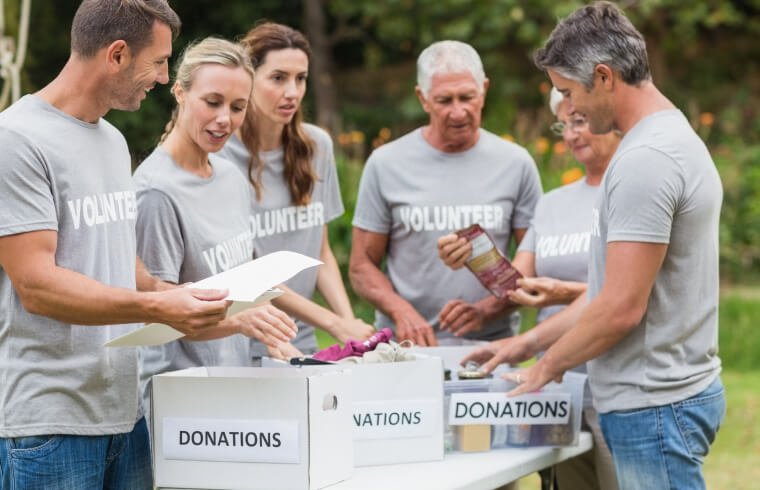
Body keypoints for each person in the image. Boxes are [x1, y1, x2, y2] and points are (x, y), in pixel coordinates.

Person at [0, 1, 231, 488]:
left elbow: (119, 262)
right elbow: (36, 286)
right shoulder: (16, 140)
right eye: (159, 62)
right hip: (50, 424)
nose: (164, 78)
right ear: (118, 54)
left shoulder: (113, 141)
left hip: (125, 414)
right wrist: (157, 307)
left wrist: (187, 298)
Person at [507, 3, 725, 489]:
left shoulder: (645, 158)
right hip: (667, 396)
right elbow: (612, 290)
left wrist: (545, 367)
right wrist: (529, 346)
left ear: (604, 77)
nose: (570, 111)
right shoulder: (671, 135)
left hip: (653, 405)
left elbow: (621, 307)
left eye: (569, 93)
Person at [441, 87, 620, 490]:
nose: (571, 134)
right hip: (555, 388)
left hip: (612, 388)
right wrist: (470, 254)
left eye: (580, 121)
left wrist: (565, 292)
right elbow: (515, 284)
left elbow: (624, 289)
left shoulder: (628, 193)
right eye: (563, 125)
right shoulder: (553, 203)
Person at [134, 37, 300, 423]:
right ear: (180, 93)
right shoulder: (156, 192)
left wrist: (269, 329)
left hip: (233, 389)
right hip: (181, 404)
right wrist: (239, 320)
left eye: (238, 107)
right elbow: (157, 317)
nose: (225, 118)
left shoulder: (229, 175)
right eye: (213, 102)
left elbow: (238, 281)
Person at [349, 40, 542, 347]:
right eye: (444, 100)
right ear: (422, 98)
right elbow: (361, 266)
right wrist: (401, 312)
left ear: (484, 90)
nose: (458, 111)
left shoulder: (516, 164)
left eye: (467, 97)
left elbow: (535, 258)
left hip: (491, 344)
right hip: (408, 345)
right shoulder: (385, 164)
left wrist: (486, 311)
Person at [217, 22, 373, 357]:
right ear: (248, 79)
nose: (292, 92)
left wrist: (348, 324)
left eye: (300, 79)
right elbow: (245, 271)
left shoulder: (318, 146)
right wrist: (333, 323)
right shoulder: (220, 158)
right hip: (244, 343)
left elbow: (320, 252)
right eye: (278, 78)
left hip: (301, 341)